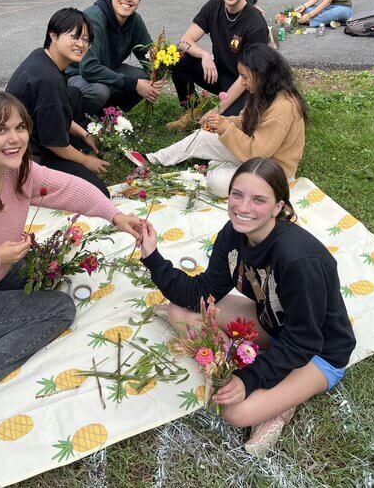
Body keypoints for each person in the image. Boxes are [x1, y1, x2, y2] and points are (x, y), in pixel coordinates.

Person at [0, 91, 142, 426]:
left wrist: (115, 216)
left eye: (20, 127)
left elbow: (68, 188)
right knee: (59, 309)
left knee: (46, 272)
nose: (15, 139)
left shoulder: (15, 170)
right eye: (0, 130)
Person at [140, 157, 356, 456]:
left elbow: (304, 339)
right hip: (272, 323)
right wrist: (153, 257)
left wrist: (248, 379)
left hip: (318, 351)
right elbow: (201, 292)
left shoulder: (298, 260)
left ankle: (280, 401)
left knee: (235, 411)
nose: (243, 207)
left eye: (259, 200)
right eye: (237, 195)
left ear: (278, 207)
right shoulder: (233, 234)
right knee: (181, 310)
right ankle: (248, 365)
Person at [140, 44, 306, 197]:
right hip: (256, 158)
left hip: (273, 171)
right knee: (203, 136)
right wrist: (225, 121)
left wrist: (225, 128)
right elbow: (245, 121)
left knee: (217, 184)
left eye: (244, 77)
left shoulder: (283, 108)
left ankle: (219, 164)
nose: (242, 82)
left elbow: (257, 152)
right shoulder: (263, 91)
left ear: (261, 74)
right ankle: (152, 158)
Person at [6, 7, 110, 197]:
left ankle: (73, 154)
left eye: (86, 39)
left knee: (74, 94)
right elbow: (54, 143)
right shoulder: (49, 81)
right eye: (74, 37)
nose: (81, 44)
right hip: (27, 156)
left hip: (33, 131)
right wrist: (86, 161)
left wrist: (85, 134)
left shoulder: (42, 56)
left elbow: (55, 113)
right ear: (53, 36)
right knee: (99, 192)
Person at [166, 0, 269, 131]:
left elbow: (249, 76)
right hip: (220, 74)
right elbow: (184, 41)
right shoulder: (214, 5)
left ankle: (227, 112)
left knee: (224, 128)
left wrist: (218, 109)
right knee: (178, 56)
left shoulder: (255, 23)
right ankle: (191, 110)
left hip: (245, 85)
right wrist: (204, 55)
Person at [67, 0, 164, 116]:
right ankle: (81, 123)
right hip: (74, 77)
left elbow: (149, 56)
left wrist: (156, 74)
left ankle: (108, 119)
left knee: (144, 79)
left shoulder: (134, 21)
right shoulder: (93, 19)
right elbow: (88, 68)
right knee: (100, 91)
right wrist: (134, 85)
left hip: (105, 70)